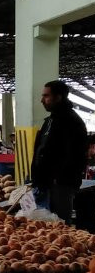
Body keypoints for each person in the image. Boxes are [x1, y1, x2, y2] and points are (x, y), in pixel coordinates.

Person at [31, 80, 88, 223]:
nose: (42, 100)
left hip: (60, 186)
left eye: (46, 96)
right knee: (45, 227)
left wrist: (59, 179)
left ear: (59, 97)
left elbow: (76, 156)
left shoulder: (71, 121)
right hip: (46, 185)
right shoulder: (50, 120)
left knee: (60, 227)